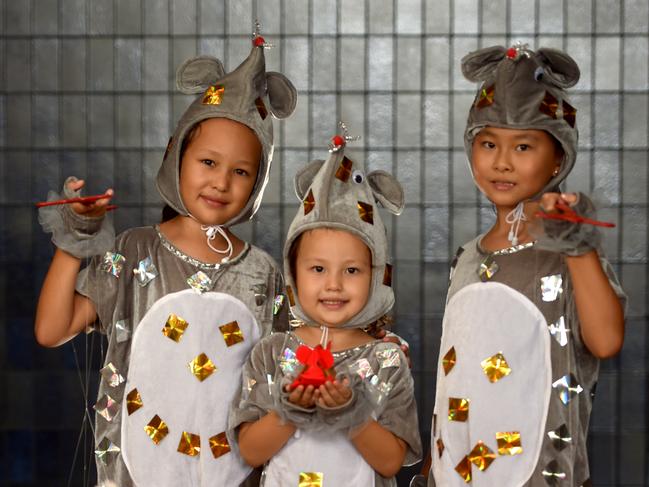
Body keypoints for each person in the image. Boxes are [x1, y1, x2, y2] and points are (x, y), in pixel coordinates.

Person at [34, 26, 297, 487]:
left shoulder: (264, 273)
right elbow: (52, 330)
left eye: (241, 172)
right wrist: (77, 238)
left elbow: (284, 382)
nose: (221, 182)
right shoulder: (135, 251)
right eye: (209, 162)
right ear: (176, 155)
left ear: (257, 185)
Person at [423, 44, 626, 485]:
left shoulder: (570, 254)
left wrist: (577, 247)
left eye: (524, 146)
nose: (502, 161)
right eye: (489, 143)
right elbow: (452, 375)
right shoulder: (466, 257)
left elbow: (606, 341)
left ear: (558, 158)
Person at [228, 130, 422, 486]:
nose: (334, 284)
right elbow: (252, 453)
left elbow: (392, 462)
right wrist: (290, 411)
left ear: (376, 276)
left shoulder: (388, 359)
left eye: (352, 270)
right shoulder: (270, 354)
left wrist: (352, 413)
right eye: (318, 269)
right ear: (293, 273)